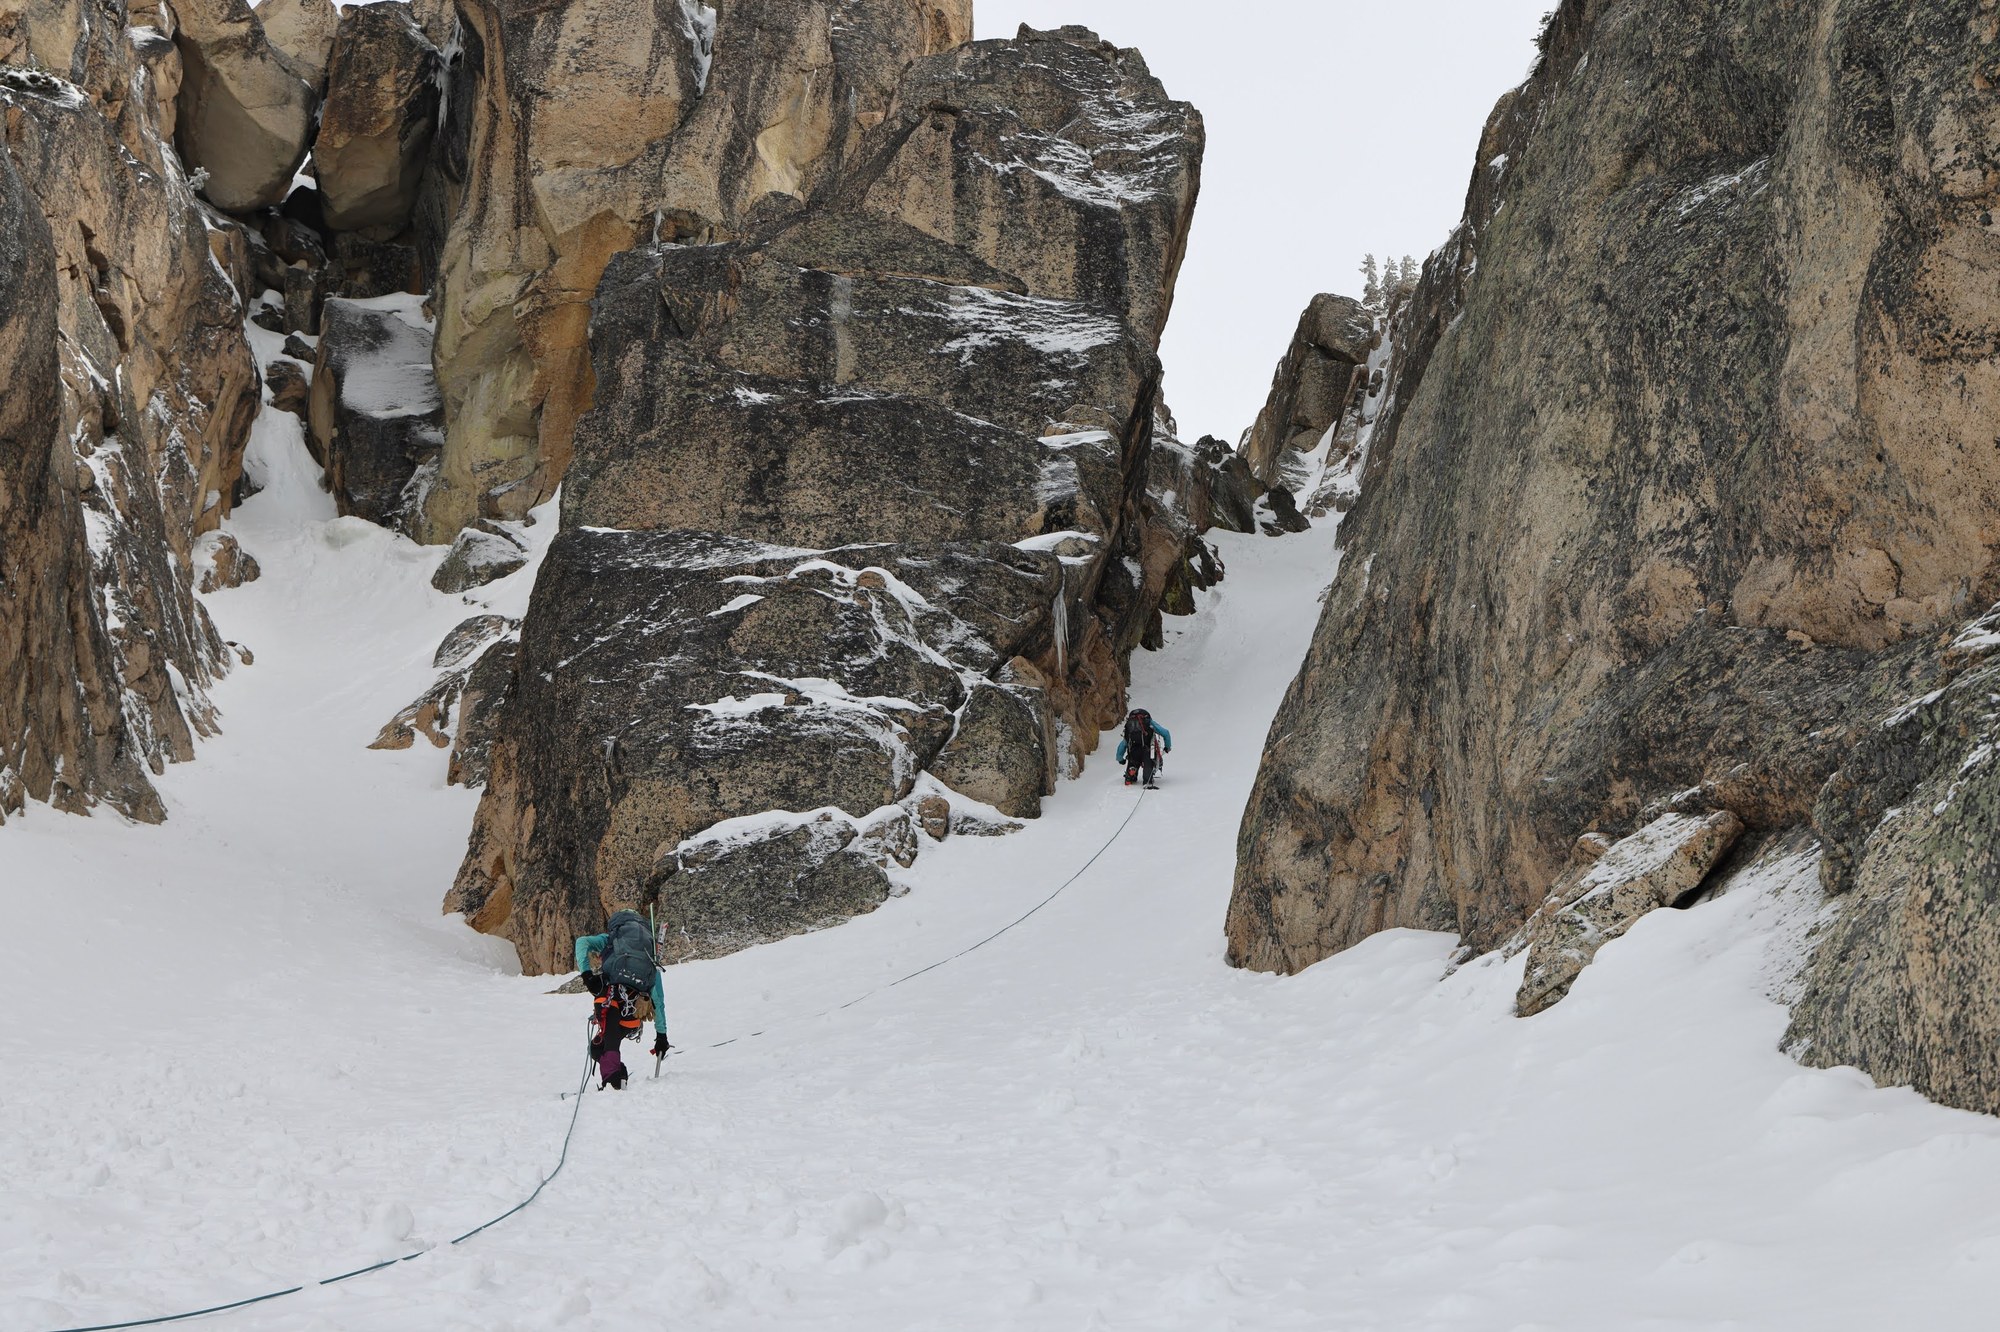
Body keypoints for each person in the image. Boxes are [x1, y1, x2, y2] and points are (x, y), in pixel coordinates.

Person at [573, 909, 670, 1089]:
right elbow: (658, 998)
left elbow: (581, 942)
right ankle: (618, 1077)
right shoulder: (649, 954)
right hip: (633, 1012)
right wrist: (661, 1035)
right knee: (598, 1047)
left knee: (604, 1042)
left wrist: (587, 975)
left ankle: (613, 1083)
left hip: (608, 1000)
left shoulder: (610, 939)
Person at [1116, 707, 1171, 789]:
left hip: (1133, 750)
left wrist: (1120, 759)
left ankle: (1130, 776)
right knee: (1148, 763)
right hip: (1147, 750)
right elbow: (1165, 733)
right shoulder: (1149, 722)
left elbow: (1123, 744)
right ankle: (1147, 781)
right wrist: (1167, 747)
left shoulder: (1129, 727)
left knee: (1133, 760)